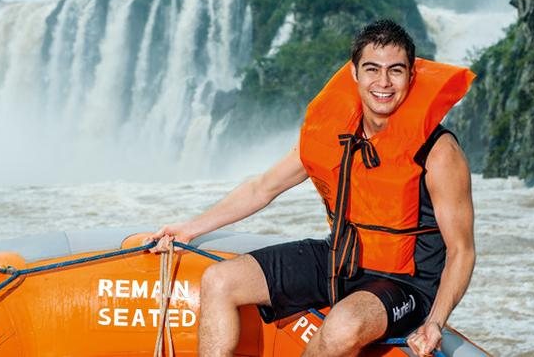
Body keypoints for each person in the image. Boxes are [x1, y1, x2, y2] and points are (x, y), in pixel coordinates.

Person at [148, 19, 476, 357]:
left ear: (411, 75)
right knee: (219, 281)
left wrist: (435, 321)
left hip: (405, 283)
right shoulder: (335, 134)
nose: (383, 82)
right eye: (372, 69)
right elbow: (263, 188)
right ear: (354, 73)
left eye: (395, 70)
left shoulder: (440, 153)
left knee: (342, 326)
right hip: (340, 260)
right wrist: (189, 228)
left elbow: (461, 251)